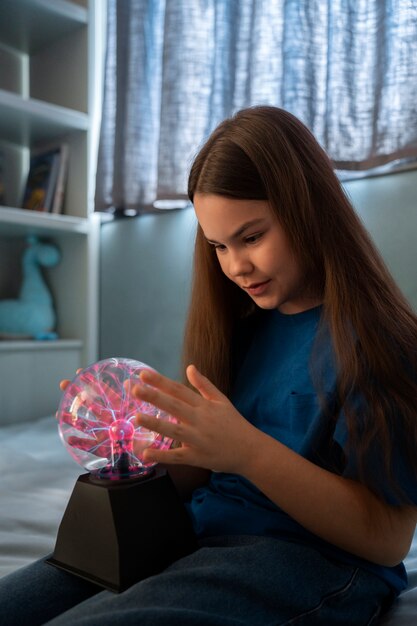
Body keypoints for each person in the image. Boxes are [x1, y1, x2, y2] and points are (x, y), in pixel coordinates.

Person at [1, 105, 417, 625]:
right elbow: (205, 470)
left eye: (252, 237)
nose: (236, 266)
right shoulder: (240, 325)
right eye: (218, 245)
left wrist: (246, 451)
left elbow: (388, 538)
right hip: (193, 529)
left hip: (302, 557)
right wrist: (141, 443)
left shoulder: (378, 343)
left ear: (309, 208)